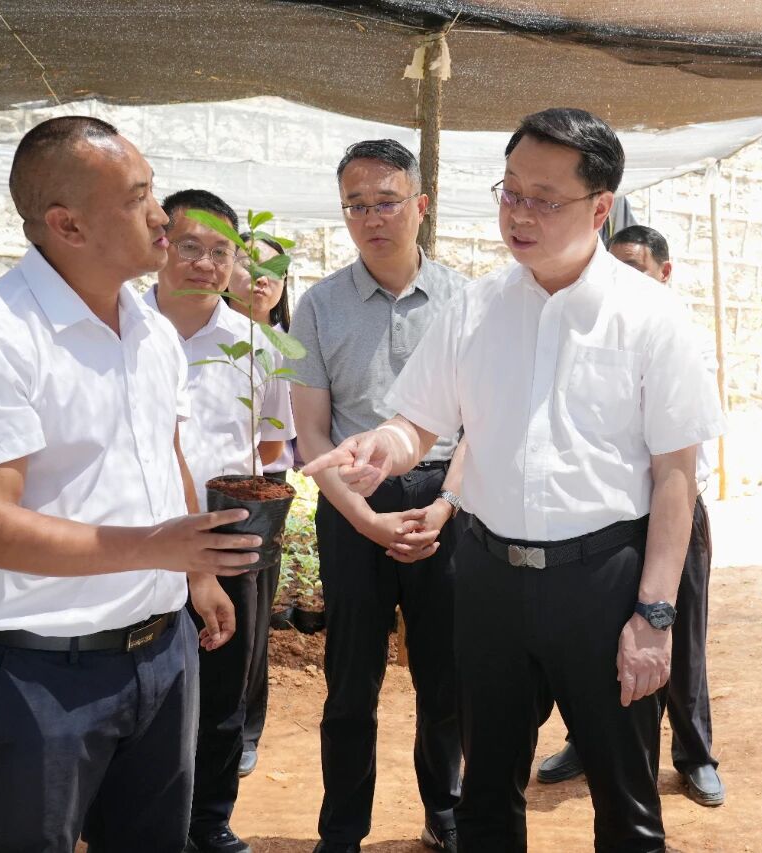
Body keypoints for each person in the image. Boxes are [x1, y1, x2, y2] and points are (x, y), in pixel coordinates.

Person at [305, 107, 725, 853]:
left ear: (600, 206)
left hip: (603, 582)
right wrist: (382, 448)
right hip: (489, 581)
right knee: (486, 796)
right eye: (511, 192)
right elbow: (418, 423)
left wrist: (654, 614)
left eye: (544, 199)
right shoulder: (475, 306)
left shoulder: (652, 317)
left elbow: (674, 477)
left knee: (626, 806)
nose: (519, 214)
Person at [0, 116, 258, 852]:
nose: (163, 216)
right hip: (40, 674)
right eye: (138, 197)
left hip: (161, 656)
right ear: (68, 225)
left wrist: (195, 574)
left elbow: (166, 454)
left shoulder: (150, 331)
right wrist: (156, 546)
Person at [288, 139, 469, 853]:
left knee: (444, 674)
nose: (371, 218)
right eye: (356, 205)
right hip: (350, 500)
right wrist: (363, 518)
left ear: (420, 205)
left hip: (444, 503)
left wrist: (446, 505)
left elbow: (483, 422)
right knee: (350, 679)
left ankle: (445, 811)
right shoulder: (319, 305)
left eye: (386, 201)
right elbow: (311, 432)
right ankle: (342, 828)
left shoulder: (465, 300)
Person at [537, 223, 725, 807]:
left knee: (678, 636)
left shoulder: (677, 332)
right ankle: (584, 741)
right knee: (597, 638)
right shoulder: (586, 329)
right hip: (610, 520)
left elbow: (681, 451)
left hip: (674, 511)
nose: (618, 278)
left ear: (665, 273)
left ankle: (694, 754)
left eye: (634, 268)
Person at [146, 189, 297, 853]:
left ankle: (207, 820)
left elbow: (270, 447)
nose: (205, 263)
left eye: (221, 251)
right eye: (190, 246)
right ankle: (136, 819)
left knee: (223, 684)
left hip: (229, 531)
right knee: (137, 684)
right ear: (160, 244)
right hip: (139, 535)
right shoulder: (122, 330)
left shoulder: (258, 344)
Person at [225, 232, 295, 778]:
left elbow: (273, 448)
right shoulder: (204, 340)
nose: (260, 279)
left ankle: (245, 728)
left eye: (273, 269)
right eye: (248, 266)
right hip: (204, 479)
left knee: (251, 610)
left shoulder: (289, 346)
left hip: (262, 485)